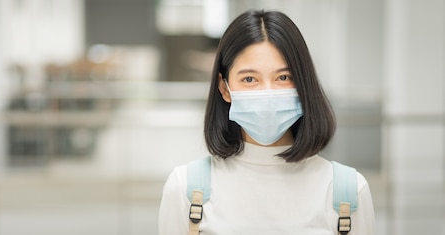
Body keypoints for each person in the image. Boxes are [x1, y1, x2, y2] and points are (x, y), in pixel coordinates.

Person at [158, 9, 375, 234]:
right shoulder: (184, 189)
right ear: (225, 88)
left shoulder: (348, 192)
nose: (268, 93)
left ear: (303, 84)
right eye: (249, 79)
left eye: (283, 77)